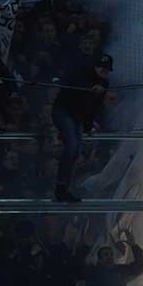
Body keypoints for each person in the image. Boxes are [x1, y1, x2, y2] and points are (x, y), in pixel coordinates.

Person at [51, 53, 111, 202]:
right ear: (95, 66)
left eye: (106, 69)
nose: (103, 71)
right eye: (100, 68)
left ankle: (64, 188)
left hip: (77, 117)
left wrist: (88, 126)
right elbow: (71, 88)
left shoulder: (103, 84)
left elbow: (94, 107)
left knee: (76, 151)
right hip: (63, 111)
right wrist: (90, 89)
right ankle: (60, 187)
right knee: (71, 146)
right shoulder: (80, 73)